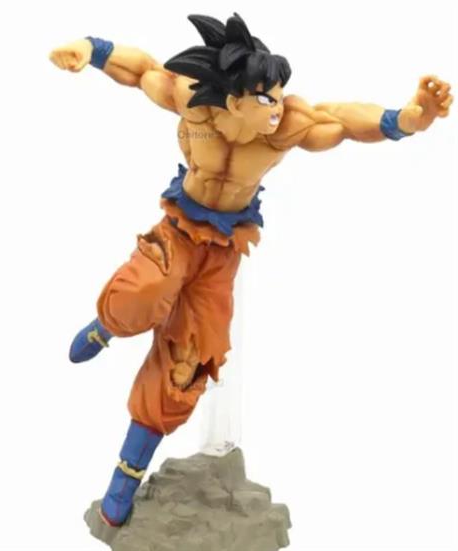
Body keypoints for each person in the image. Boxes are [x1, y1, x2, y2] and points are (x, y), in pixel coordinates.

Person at [49, 12, 453, 527]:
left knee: (188, 363)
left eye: (280, 96)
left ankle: (125, 474)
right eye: (265, 99)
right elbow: (142, 69)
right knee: (143, 291)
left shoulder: (286, 127)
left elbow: (344, 121)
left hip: (224, 248)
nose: (277, 108)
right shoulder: (193, 100)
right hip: (179, 228)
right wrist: (91, 49)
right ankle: (106, 326)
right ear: (233, 99)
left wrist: (408, 118)